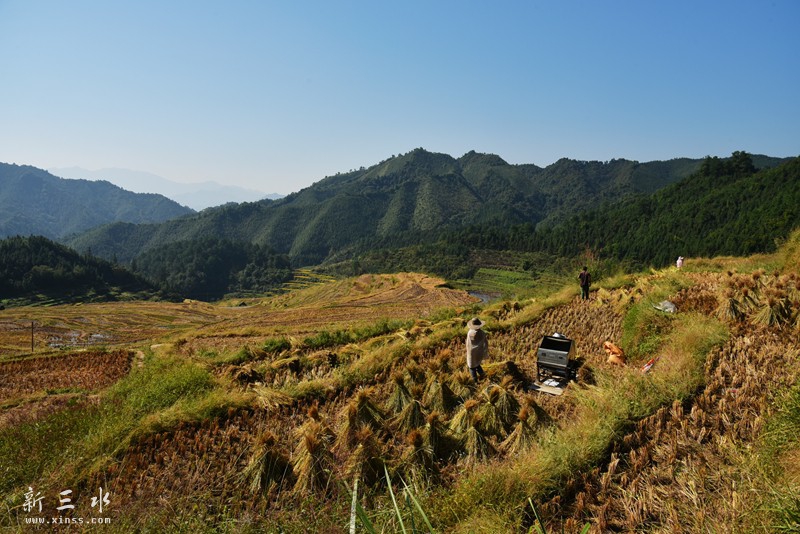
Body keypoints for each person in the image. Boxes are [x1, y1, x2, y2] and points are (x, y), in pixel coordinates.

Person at [465, 317, 488, 381]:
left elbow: (468, 343)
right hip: (479, 352)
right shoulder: (482, 333)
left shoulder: (470, 332)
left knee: (472, 367)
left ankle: (475, 381)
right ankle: (483, 375)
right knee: (477, 364)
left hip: (471, 352)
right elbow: (485, 342)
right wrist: (485, 351)